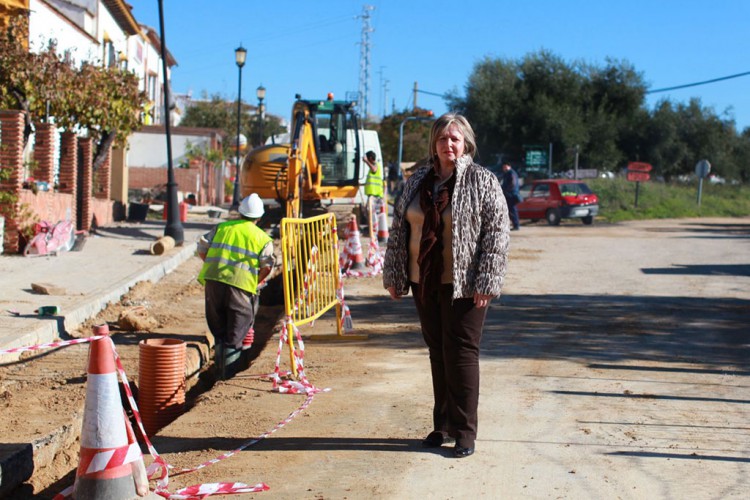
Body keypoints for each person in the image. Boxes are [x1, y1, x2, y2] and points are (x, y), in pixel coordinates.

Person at [383, 113, 510, 458]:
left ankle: (465, 431)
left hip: (465, 284)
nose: (448, 145)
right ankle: (443, 425)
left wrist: (487, 280)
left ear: (466, 143)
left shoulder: (482, 181)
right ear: (434, 144)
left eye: (454, 139)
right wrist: (394, 275)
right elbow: (399, 230)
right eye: (442, 139)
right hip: (424, 279)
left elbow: (497, 234)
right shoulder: (416, 181)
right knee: (438, 351)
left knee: (462, 354)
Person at [197, 193, 275, 380]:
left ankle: (219, 370)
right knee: (237, 330)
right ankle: (227, 375)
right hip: (240, 288)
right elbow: (267, 266)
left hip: (213, 282)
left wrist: (213, 266)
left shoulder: (222, 228)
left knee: (219, 327)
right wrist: (254, 281)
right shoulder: (262, 238)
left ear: (240, 212)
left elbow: (201, 247)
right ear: (259, 216)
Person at [364, 150, 385, 230]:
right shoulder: (376, 165)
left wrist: (366, 161)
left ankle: (374, 231)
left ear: (370, 158)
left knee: (372, 213)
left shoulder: (375, 165)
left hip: (375, 195)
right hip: (374, 195)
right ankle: (372, 229)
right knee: (370, 213)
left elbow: (373, 169)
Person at [501, 162, 521, 230]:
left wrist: (506, 190)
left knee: (512, 210)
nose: (504, 168)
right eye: (503, 167)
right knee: (510, 210)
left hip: (511, 195)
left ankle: (516, 225)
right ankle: (514, 224)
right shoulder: (507, 173)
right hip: (509, 194)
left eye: (505, 167)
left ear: (509, 166)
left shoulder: (511, 173)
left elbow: (513, 183)